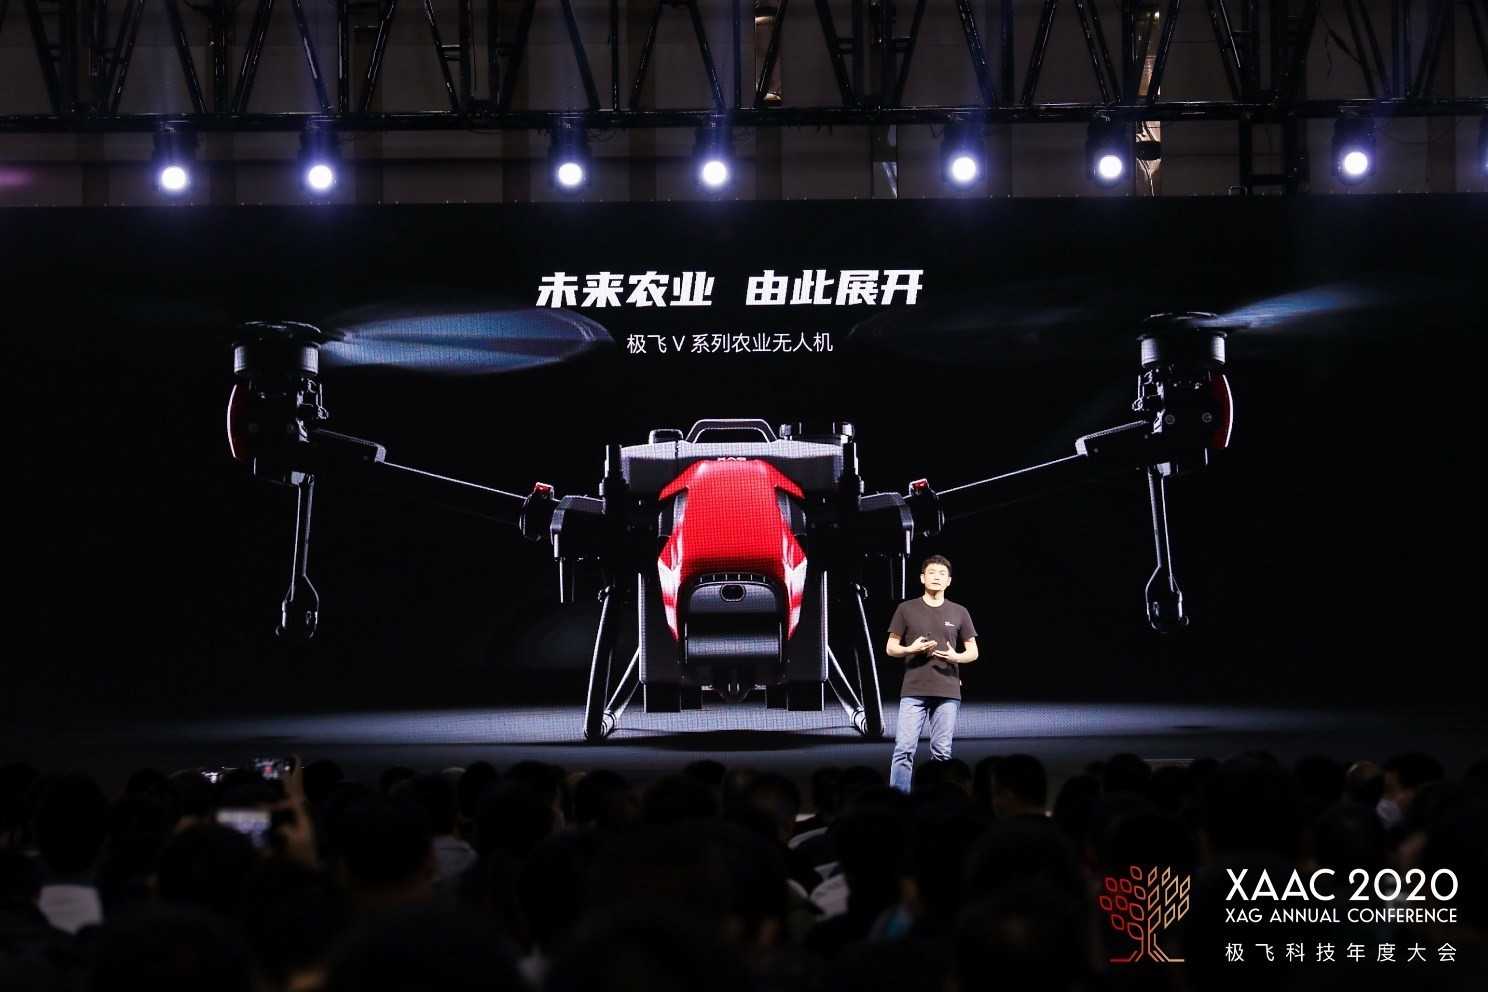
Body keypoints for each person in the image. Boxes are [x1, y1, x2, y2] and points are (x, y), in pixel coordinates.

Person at [885, 555, 978, 793]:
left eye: (942, 574)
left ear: (949, 581)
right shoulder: (906, 609)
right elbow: (891, 648)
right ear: (922, 578)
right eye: (932, 573)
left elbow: (973, 652)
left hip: (947, 689)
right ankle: (898, 799)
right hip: (914, 689)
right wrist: (910, 649)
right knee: (904, 749)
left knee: (942, 752)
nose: (937, 577)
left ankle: (942, 800)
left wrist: (956, 657)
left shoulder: (959, 611)